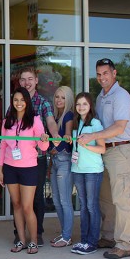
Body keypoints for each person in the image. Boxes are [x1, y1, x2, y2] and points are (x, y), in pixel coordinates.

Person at [78, 58, 130, 259]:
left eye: (105, 73)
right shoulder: (102, 97)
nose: (102, 77)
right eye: (99, 74)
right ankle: (109, 236)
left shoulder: (121, 96)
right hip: (104, 152)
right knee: (106, 199)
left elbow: (119, 127)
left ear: (114, 73)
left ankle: (124, 244)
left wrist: (92, 137)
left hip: (120, 151)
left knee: (122, 200)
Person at [0, 87, 49, 255]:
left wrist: (44, 139)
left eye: (22, 100)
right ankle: (21, 240)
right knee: (17, 205)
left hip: (29, 168)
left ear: (27, 101)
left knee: (27, 207)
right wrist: (0, 169)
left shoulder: (35, 120)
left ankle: (33, 241)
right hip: (10, 167)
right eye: (15, 100)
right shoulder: (7, 121)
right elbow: (3, 145)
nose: (19, 103)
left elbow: (43, 146)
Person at [16, 66, 59, 246]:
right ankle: (19, 234)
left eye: (30, 79)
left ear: (36, 81)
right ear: (19, 83)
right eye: (23, 79)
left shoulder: (43, 102)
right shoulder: (15, 102)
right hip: (17, 159)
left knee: (36, 198)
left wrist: (55, 135)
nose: (27, 83)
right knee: (18, 199)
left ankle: (37, 233)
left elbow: (50, 121)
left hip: (37, 158)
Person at [69, 92, 105, 255]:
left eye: (84, 104)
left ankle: (92, 241)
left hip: (92, 171)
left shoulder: (95, 123)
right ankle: (83, 240)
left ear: (90, 106)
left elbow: (102, 148)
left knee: (91, 206)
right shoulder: (76, 123)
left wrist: (86, 146)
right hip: (78, 169)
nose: (81, 107)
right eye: (78, 104)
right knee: (83, 206)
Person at [48, 86, 74, 247]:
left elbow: (67, 137)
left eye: (63, 97)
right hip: (55, 161)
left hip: (64, 160)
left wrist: (55, 148)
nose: (59, 100)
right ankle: (64, 233)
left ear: (69, 99)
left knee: (65, 201)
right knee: (57, 201)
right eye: (57, 97)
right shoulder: (57, 116)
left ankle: (67, 236)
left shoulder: (69, 115)